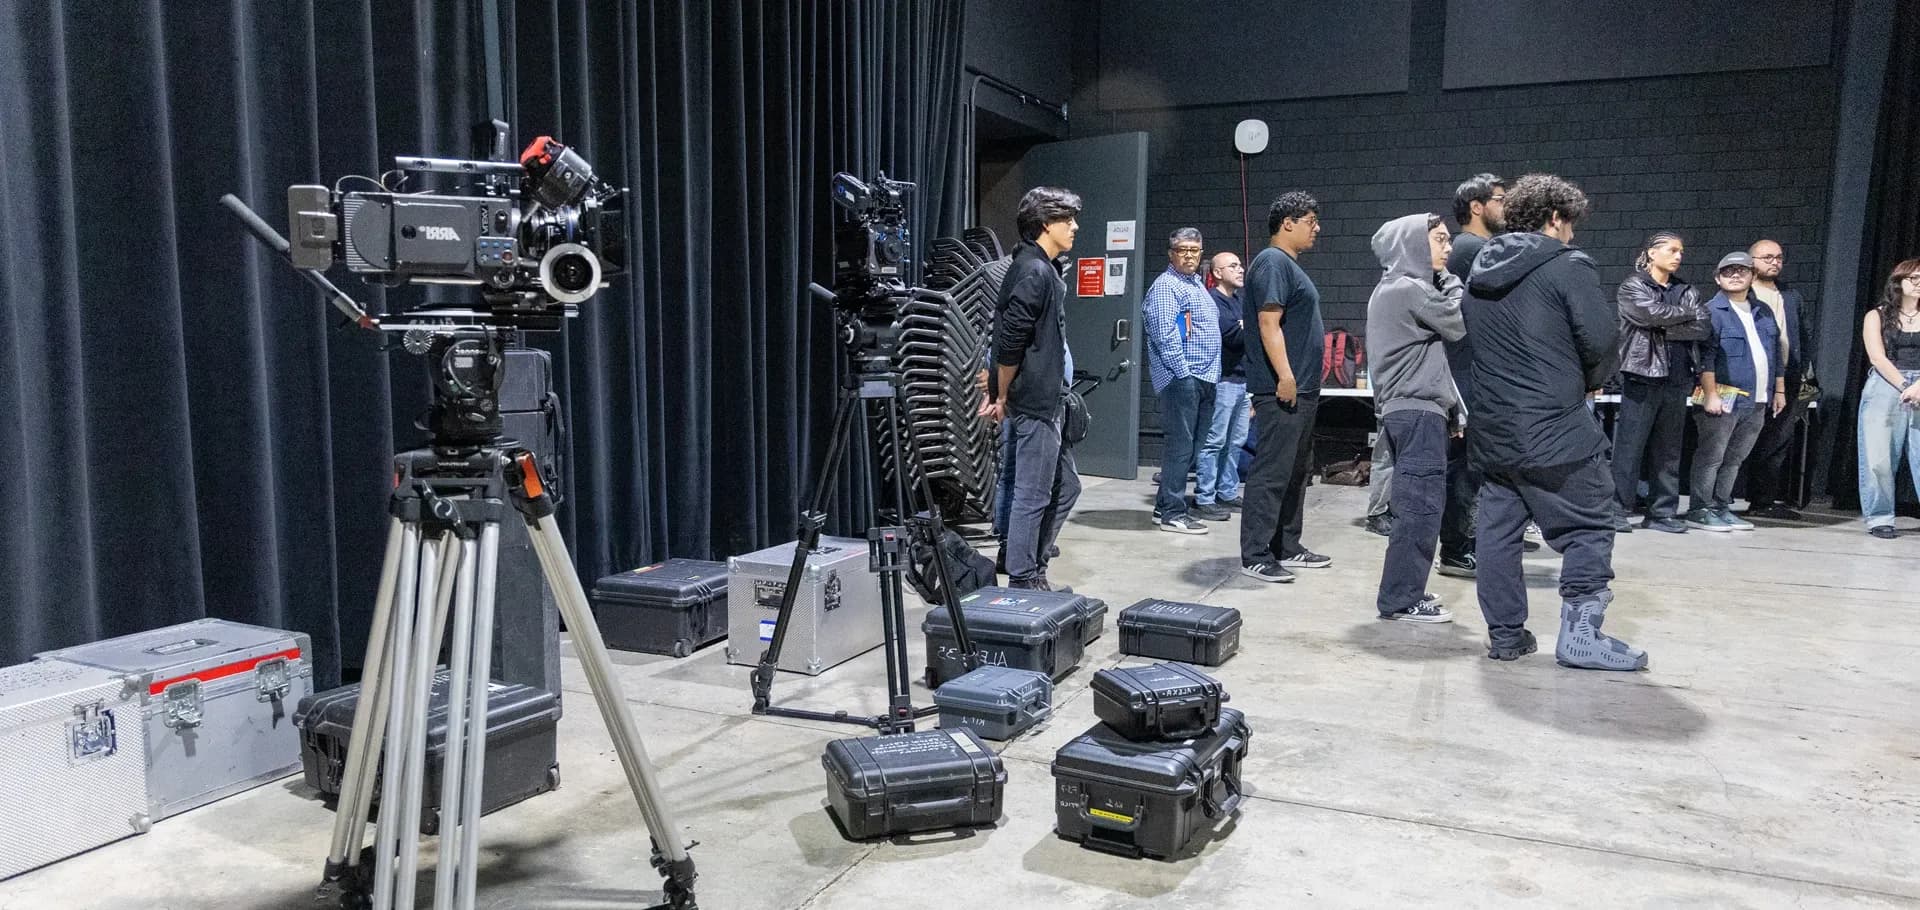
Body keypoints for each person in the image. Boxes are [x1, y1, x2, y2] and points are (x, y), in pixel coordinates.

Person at [1462, 173, 1647, 671]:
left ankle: (1506, 637)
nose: (1572, 233)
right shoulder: (1568, 266)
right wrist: (1588, 381)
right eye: (1571, 223)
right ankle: (1581, 638)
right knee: (1590, 526)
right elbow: (1604, 342)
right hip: (1555, 430)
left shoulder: (1479, 272)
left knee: (1497, 536)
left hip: (1494, 429)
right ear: (1556, 217)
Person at [983, 187, 1084, 589]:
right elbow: (1009, 342)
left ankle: (1028, 563)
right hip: (1035, 402)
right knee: (1032, 493)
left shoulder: (1041, 267)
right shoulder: (1034, 270)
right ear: (1045, 223)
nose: (1075, 226)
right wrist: (1000, 394)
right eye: (1067, 219)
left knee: (1065, 487)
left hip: (1046, 399)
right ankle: (1024, 578)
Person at [1367, 213, 1465, 622]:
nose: (1448, 248)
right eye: (1440, 239)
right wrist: (1453, 282)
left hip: (1412, 410)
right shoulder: (1409, 289)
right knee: (1421, 508)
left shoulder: (1392, 289)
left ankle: (1404, 591)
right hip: (1417, 412)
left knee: (1416, 505)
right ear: (1411, 244)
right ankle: (1402, 598)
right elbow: (1458, 323)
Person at [1239, 192, 1332, 583]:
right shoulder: (1272, 262)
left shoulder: (1289, 267)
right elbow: (1267, 323)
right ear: (1288, 223)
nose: (1317, 228)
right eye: (1311, 220)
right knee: (1272, 473)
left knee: (1297, 471)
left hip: (1303, 390)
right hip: (1283, 389)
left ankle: (1286, 546)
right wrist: (1285, 376)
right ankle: (1256, 554)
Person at [1612, 232, 1711, 534]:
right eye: (1672, 250)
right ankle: (1615, 510)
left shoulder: (1686, 289)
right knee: (1629, 448)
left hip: (1678, 379)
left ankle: (1662, 512)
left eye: (1681, 251)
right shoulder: (1633, 285)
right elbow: (1647, 314)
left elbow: (1703, 326)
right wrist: (1682, 318)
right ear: (1652, 253)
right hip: (1642, 375)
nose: (1678, 256)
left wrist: (1663, 325)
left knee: (1669, 451)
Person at [1685, 253, 1782, 532]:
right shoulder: (1712, 312)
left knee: (1735, 458)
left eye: (1741, 270)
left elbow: (1774, 353)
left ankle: (1719, 506)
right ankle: (1699, 508)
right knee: (1711, 455)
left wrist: (1779, 390)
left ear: (1752, 275)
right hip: (1723, 396)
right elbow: (1706, 357)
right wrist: (1711, 393)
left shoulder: (1763, 311)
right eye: (1728, 271)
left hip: (1756, 399)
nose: (1735, 275)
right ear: (1717, 278)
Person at [1143, 229, 1222, 532]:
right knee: (1180, 447)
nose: (1189, 255)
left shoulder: (1197, 285)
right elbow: (1166, 336)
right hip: (1183, 378)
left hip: (1204, 376)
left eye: (1195, 250)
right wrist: (1183, 374)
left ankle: (1166, 505)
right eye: (1182, 250)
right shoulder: (1166, 287)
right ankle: (1173, 514)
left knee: (1192, 447)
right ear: (1171, 253)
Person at [1741, 239, 1814, 519]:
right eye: (1767, 257)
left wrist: (1802, 371)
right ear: (1752, 261)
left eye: (1779, 257)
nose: (1774, 262)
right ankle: (1720, 499)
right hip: (1752, 378)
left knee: (1778, 440)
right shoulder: (1742, 292)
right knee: (1741, 439)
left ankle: (1764, 501)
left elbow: (1803, 337)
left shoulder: (1791, 295)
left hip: (1789, 378)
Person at [1856, 258, 1920, 539]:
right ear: (1899, 282)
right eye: (1914, 278)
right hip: (1886, 384)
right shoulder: (1877, 315)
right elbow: (1877, 357)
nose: (1919, 284)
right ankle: (1880, 517)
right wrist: (1905, 385)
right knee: (1878, 456)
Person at [1196, 251, 1250, 516]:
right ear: (1217, 272)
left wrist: (1243, 325)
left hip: (1242, 382)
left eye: (1240, 265)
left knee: (1236, 441)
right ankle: (1205, 497)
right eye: (1233, 266)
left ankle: (1227, 492)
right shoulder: (1212, 301)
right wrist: (1245, 327)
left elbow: (1244, 333)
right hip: (1223, 381)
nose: (1240, 270)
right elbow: (1232, 336)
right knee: (1214, 441)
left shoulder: (1240, 302)